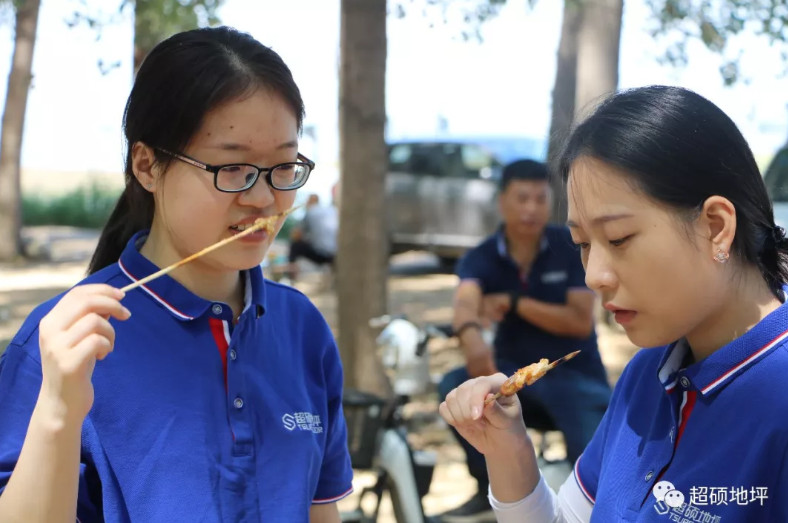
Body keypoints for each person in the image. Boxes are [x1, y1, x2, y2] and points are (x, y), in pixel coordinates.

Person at [0, 27, 352, 522]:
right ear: (147, 165)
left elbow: (319, 509)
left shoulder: (301, 330)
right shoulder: (64, 341)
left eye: (283, 165)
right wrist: (58, 408)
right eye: (233, 169)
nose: (264, 198)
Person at [439, 85, 788, 522]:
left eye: (619, 238)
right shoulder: (648, 374)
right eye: (582, 244)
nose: (593, 276)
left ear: (716, 227)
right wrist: (509, 450)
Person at [437, 159, 611, 520]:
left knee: (601, 478)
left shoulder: (569, 245)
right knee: (454, 387)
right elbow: (465, 304)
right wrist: (470, 337)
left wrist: (514, 302)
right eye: (522, 198)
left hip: (574, 379)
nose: (531, 208)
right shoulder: (481, 257)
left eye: (540, 198)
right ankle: (486, 487)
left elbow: (579, 321)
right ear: (502, 201)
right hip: (513, 381)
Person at [286, 192, 338, 282]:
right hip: (335, 254)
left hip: (322, 255)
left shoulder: (310, 212)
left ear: (310, 201)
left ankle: (291, 278)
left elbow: (296, 234)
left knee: (295, 245)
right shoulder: (332, 210)